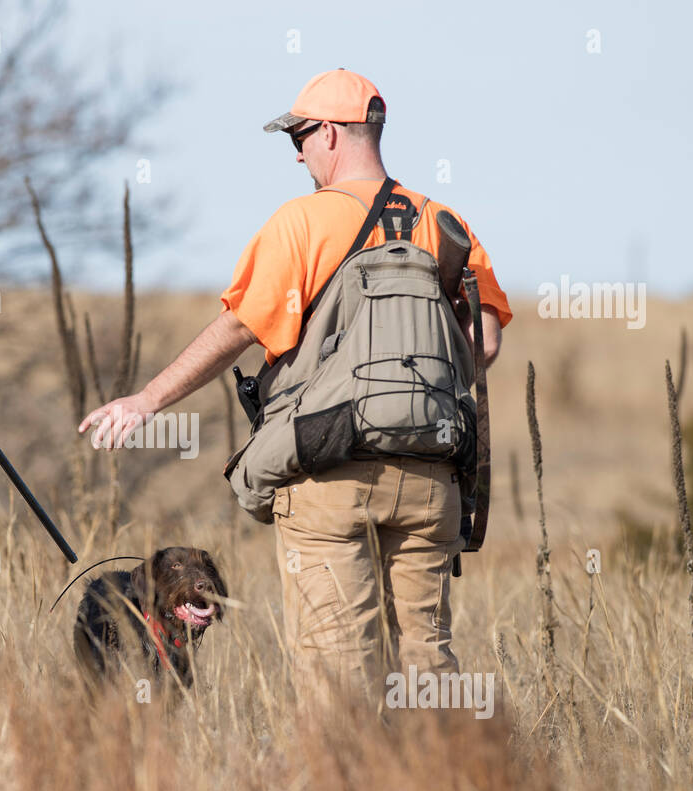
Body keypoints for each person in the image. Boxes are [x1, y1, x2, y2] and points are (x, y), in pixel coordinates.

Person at [78, 70, 512, 711]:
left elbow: (241, 326)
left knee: (339, 669)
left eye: (301, 137)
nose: (298, 153)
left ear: (331, 134)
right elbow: (487, 345)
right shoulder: (443, 222)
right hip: (432, 480)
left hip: (329, 473)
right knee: (428, 664)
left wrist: (146, 401)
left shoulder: (301, 222)